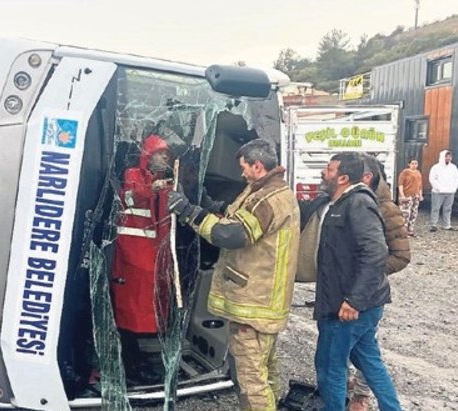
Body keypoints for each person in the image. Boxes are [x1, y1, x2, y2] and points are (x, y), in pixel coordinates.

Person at [168, 139, 300, 410]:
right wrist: (203, 202)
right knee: (266, 372)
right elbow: (233, 217)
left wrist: (188, 212)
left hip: (254, 306)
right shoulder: (267, 191)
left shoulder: (267, 200)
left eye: (244, 167)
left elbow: (230, 234)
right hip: (265, 303)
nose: (242, 173)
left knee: (251, 381)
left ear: (258, 166)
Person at [314, 152, 402, 411]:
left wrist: (354, 301)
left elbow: (375, 253)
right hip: (354, 303)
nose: (323, 172)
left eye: (329, 169)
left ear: (343, 178)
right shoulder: (340, 203)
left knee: (330, 366)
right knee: (369, 362)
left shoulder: (358, 204)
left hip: (349, 307)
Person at [346, 155, 410, 411]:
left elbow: (402, 256)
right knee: (362, 352)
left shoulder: (385, 208)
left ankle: (361, 395)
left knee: (361, 352)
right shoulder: (351, 202)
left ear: (367, 177)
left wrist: (367, 272)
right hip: (349, 291)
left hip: (368, 295)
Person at [111, 134, 172, 383]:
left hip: (151, 258)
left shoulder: (165, 182)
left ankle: (135, 361)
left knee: (142, 311)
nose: (164, 158)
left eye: (167, 155)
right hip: (131, 257)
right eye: (160, 153)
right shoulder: (133, 174)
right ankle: (129, 365)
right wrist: (152, 189)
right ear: (148, 155)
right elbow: (129, 197)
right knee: (128, 312)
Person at [428, 149, 458, 232]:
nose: (448, 158)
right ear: (442, 157)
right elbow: (432, 179)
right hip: (438, 192)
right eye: (446, 156)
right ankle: (433, 224)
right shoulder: (435, 167)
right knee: (436, 208)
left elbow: (456, 178)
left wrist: (454, 188)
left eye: (449, 156)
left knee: (448, 209)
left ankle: (447, 225)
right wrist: (437, 188)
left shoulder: (453, 167)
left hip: (450, 192)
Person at [397, 159, 423, 236]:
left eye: (416, 163)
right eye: (412, 163)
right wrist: (402, 195)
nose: (414, 165)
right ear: (409, 164)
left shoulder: (418, 173)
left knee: (414, 213)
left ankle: (410, 229)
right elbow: (400, 184)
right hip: (407, 195)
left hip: (415, 195)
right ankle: (403, 231)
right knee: (405, 214)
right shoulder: (404, 172)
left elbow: (420, 185)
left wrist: (420, 195)